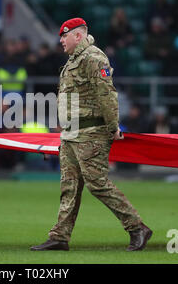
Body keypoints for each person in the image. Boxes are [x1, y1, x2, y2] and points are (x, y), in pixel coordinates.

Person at [30, 18, 152, 252]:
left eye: (64, 36)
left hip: (90, 131)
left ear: (79, 35)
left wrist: (112, 126)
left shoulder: (94, 58)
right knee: (69, 185)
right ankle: (60, 236)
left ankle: (137, 227)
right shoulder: (74, 60)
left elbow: (106, 94)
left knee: (97, 183)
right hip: (72, 132)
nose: (61, 40)